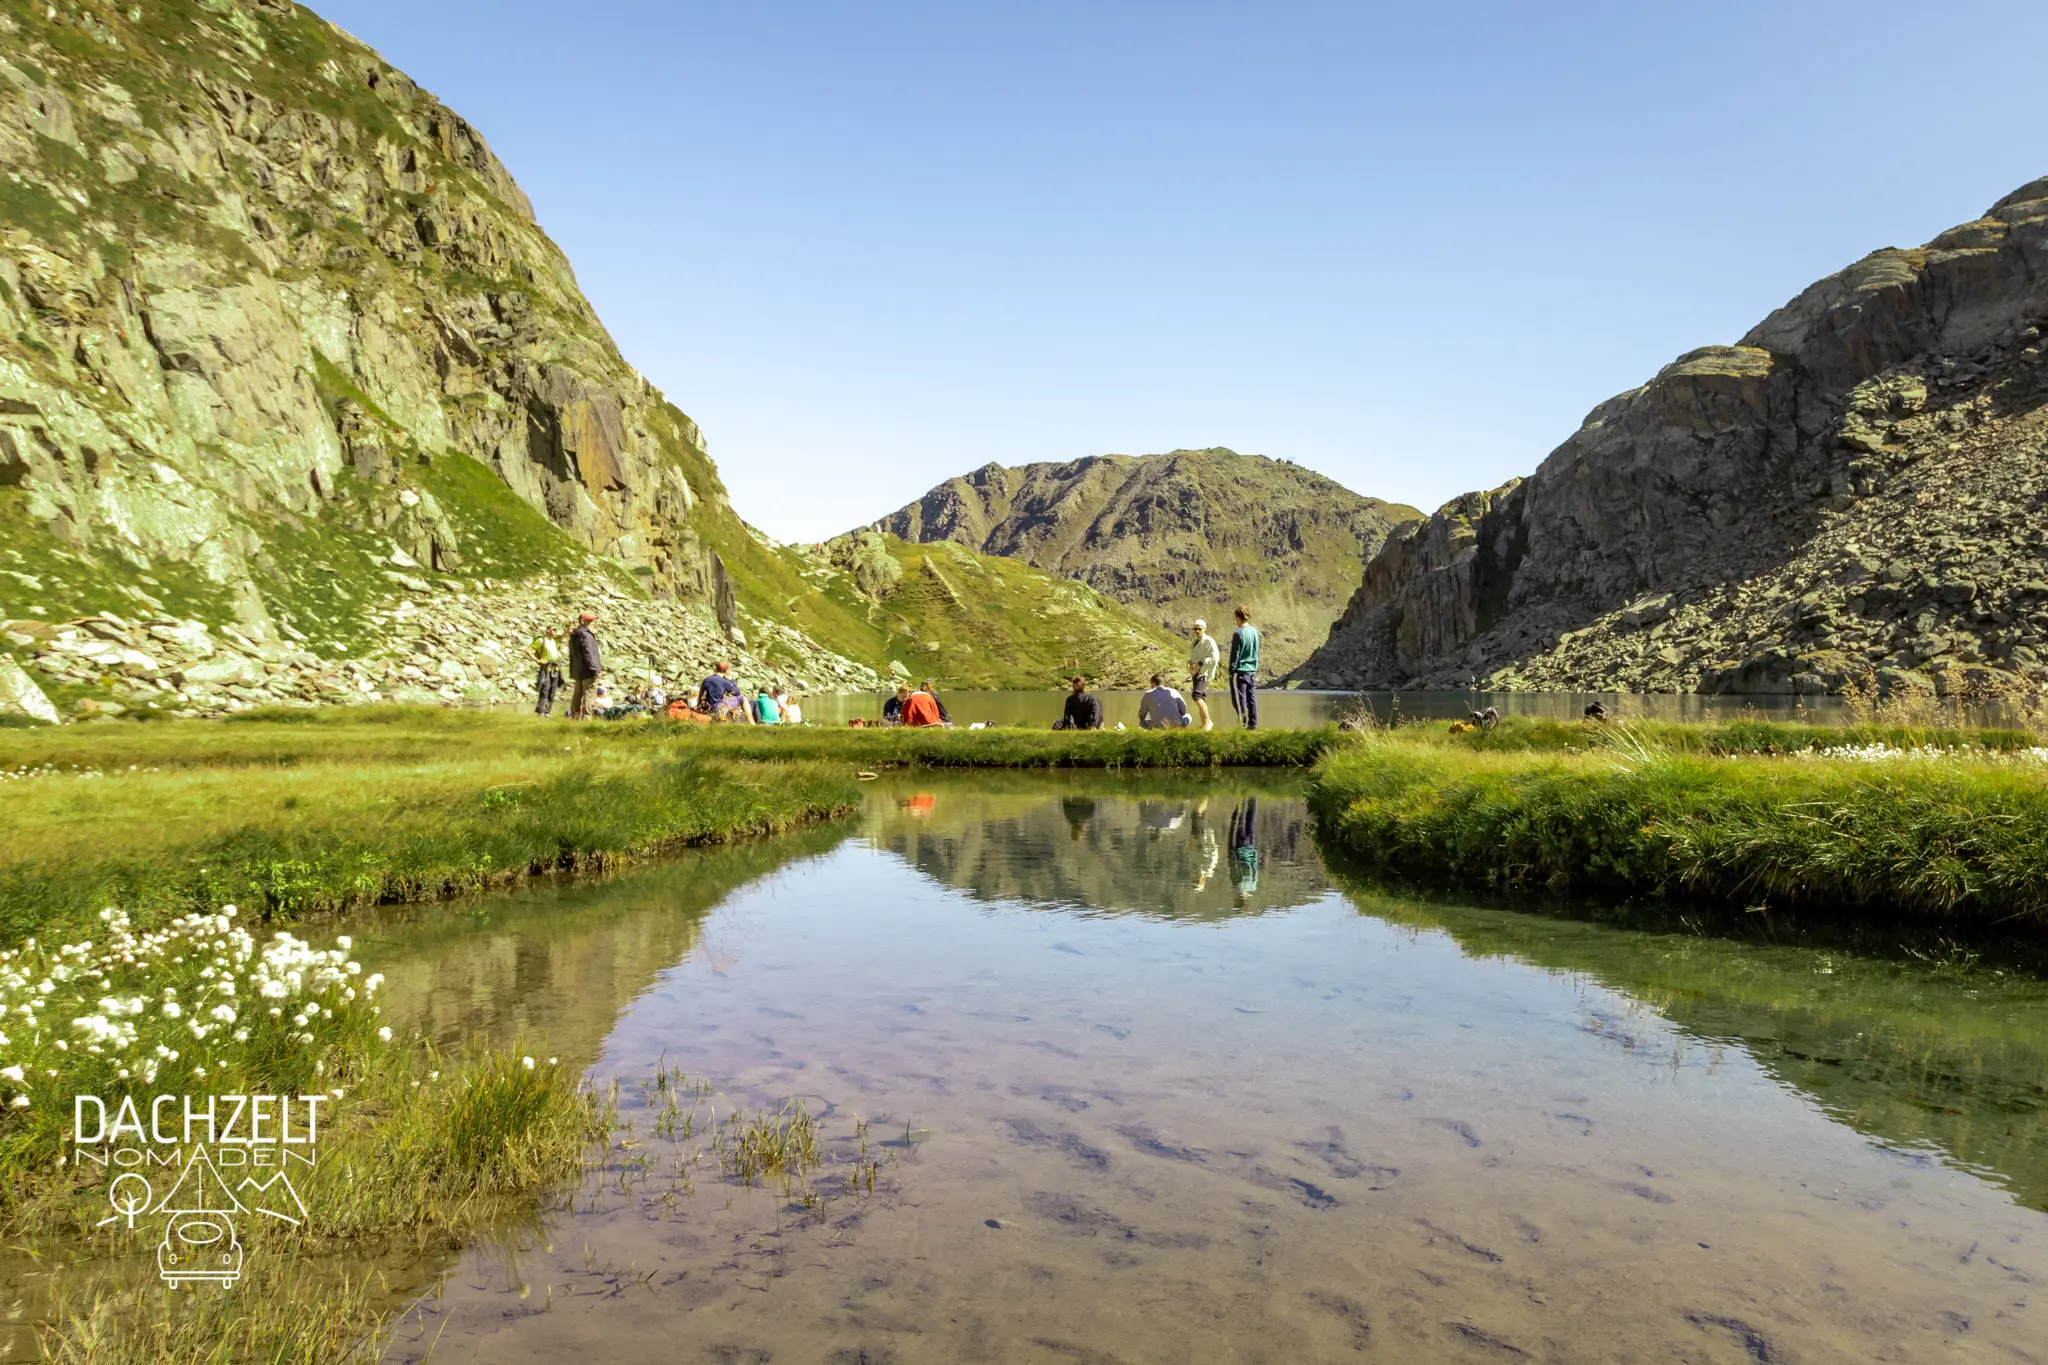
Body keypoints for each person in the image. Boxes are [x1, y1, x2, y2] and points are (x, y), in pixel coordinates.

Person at [1227, 606, 1260, 731]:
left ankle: (1242, 724)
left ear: (1238, 618)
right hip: (1251, 670)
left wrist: (1231, 670)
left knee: (1239, 698)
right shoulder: (1255, 632)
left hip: (1240, 671)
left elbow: (1234, 654)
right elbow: (1256, 651)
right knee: (1251, 699)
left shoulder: (1238, 633)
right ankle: (1253, 724)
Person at [1187, 618, 1220, 731]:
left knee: (1197, 695)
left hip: (1205, 672)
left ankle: (1208, 721)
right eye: (1195, 629)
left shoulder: (1209, 641)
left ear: (1204, 629)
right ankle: (1205, 724)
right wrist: (1190, 663)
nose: (1197, 631)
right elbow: (1194, 657)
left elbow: (1215, 658)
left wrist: (1200, 664)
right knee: (1200, 697)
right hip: (1196, 673)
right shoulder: (1194, 642)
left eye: (1199, 629)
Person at [566, 612, 601, 720]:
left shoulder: (574, 635)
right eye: (590, 621)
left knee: (577, 695)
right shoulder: (586, 635)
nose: (592, 623)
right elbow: (589, 653)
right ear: (582, 621)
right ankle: (586, 720)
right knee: (589, 694)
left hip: (578, 671)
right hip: (588, 672)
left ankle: (574, 717)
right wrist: (595, 670)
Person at [530, 625, 564, 717]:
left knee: (553, 690)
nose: (555, 631)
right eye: (553, 629)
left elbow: (566, 634)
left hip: (555, 666)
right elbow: (528, 650)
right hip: (546, 666)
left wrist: (570, 622)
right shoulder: (541, 640)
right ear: (548, 630)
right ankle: (541, 711)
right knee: (545, 688)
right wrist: (537, 660)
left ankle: (547, 712)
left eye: (555, 630)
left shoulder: (555, 640)